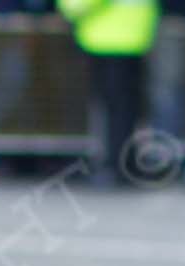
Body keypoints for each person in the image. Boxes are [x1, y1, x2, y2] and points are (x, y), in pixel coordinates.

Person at [58, 0, 159, 185]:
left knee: (114, 106)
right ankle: (124, 162)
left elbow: (76, 5)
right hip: (128, 35)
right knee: (125, 107)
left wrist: (71, 7)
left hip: (108, 37)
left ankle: (116, 164)